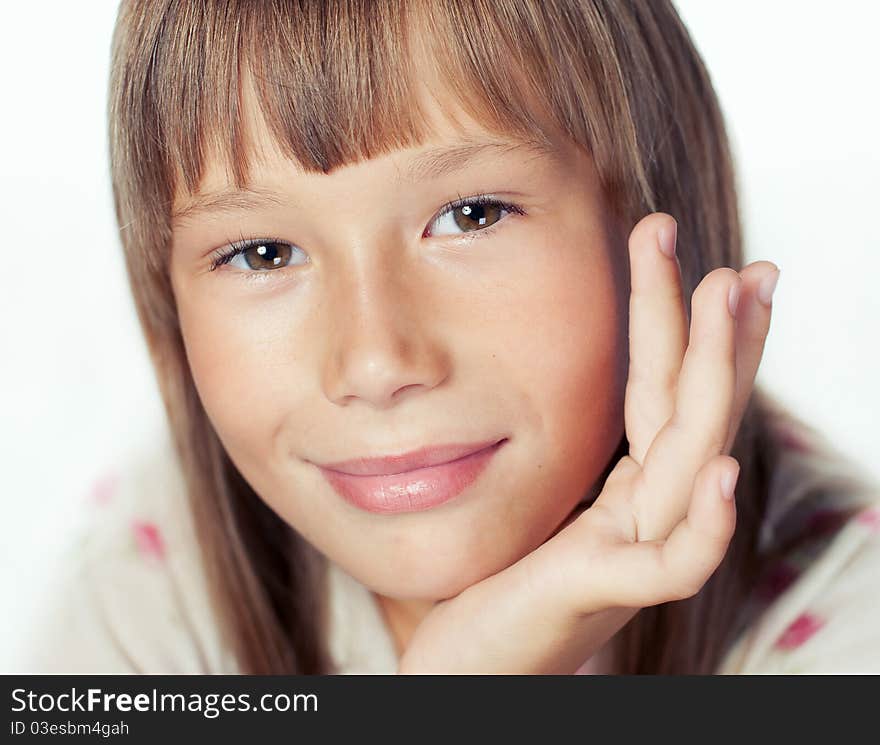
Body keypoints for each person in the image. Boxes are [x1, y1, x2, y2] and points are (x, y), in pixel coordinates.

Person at [11, 0, 879, 674]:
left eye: (471, 215)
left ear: (658, 209)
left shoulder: (847, 622)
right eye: (262, 252)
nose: (376, 362)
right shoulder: (137, 597)